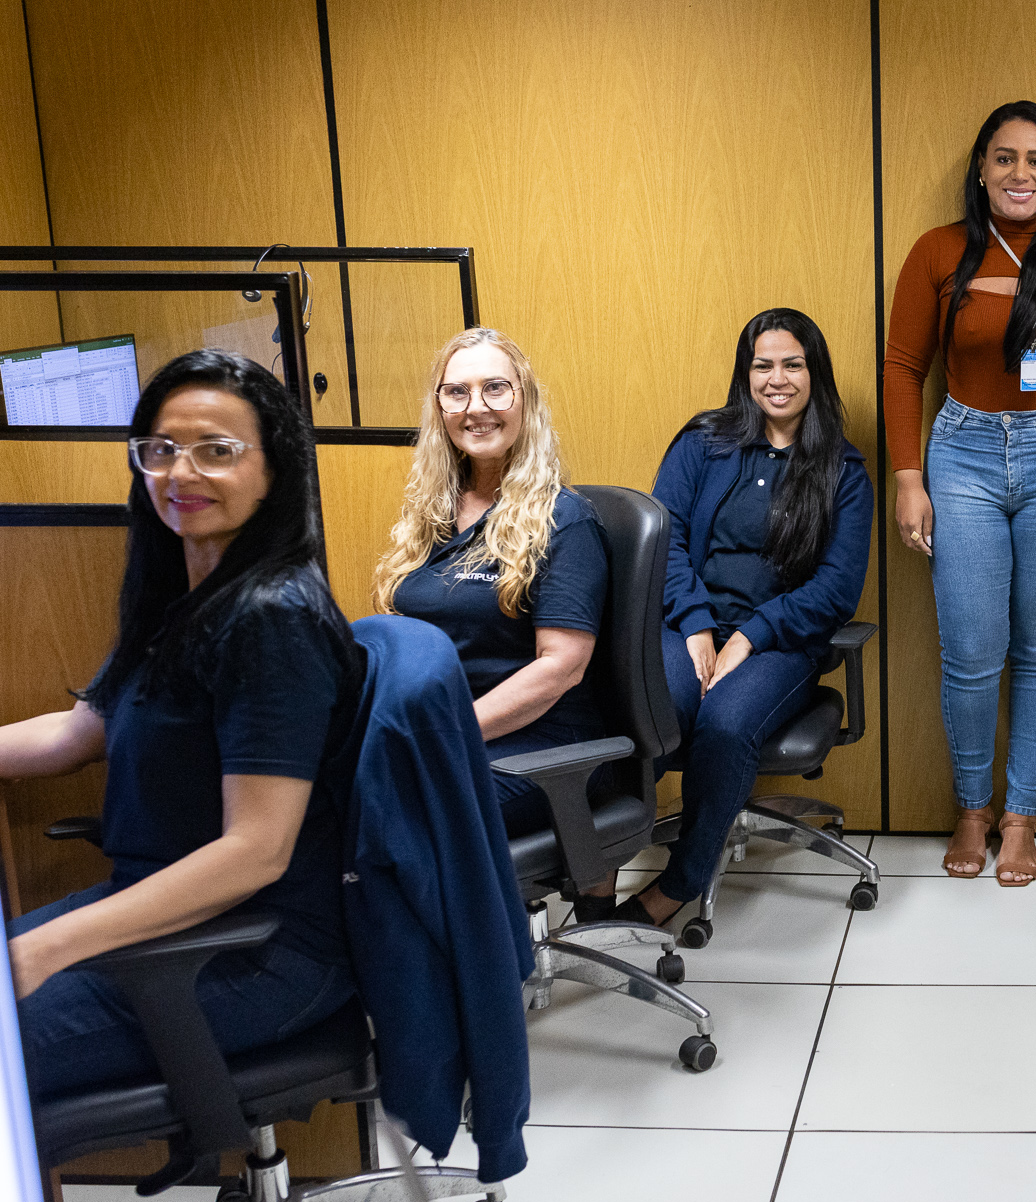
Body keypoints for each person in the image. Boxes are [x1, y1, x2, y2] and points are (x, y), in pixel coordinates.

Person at [3, 350, 362, 1100]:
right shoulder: (186, 596)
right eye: (161, 449)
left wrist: (42, 951)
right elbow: (75, 736)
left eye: (217, 451)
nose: (181, 472)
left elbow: (255, 852)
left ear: (274, 470)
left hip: (255, 951)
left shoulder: (273, 619)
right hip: (166, 919)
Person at [884, 99, 1036, 885]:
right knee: (970, 650)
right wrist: (908, 478)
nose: (1020, 173)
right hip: (961, 457)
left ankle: (1021, 814)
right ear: (981, 170)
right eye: (1005, 157)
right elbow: (902, 369)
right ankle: (972, 807)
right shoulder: (937, 252)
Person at [625, 308, 872, 929]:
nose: (777, 379)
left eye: (793, 364)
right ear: (746, 372)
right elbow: (665, 544)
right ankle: (598, 870)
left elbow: (836, 590)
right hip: (688, 627)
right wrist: (697, 623)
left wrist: (749, 636)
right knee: (647, 709)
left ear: (815, 373)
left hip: (781, 642)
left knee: (727, 724)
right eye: (763, 365)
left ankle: (680, 881)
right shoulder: (702, 443)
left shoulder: (843, 472)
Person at [372, 327, 611, 850]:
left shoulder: (565, 520)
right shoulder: (433, 512)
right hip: (444, 726)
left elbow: (561, 668)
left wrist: (444, 731)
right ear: (439, 408)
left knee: (385, 816)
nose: (475, 407)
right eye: (457, 392)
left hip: (541, 746)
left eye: (495, 388)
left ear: (526, 400)